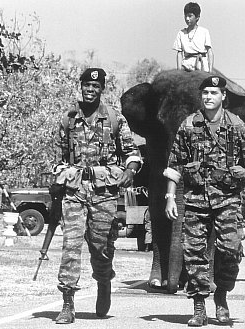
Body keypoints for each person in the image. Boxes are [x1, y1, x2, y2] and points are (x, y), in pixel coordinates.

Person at [164, 75, 245, 326]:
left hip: (228, 200)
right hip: (195, 199)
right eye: (205, 93)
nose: (209, 97)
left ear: (223, 97)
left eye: (214, 93)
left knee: (230, 249)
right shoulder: (189, 125)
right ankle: (199, 306)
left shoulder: (236, 126)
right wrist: (170, 197)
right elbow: (174, 164)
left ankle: (221, 294)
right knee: (195, 253)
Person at [52, 68, 142, 324]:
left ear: (102, 89)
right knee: (71, 244)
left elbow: (131, 152)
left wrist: (131, 170)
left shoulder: (114, 118)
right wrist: (58, 177)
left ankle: (103, 281)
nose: (90, 90)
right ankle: (68, 302)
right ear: (80, 86)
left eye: (95, 87)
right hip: (74, 192)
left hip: (104, 193)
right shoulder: (68, 118)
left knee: (101, 247)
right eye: (86, 86)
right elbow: (58, 157)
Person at [173, 2, 214, 72]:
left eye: (190, 16)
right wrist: (179, 71)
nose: (187, 18)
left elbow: (209, 52)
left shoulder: (204, 32)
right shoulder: (181, 33)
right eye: (185, 16)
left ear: (197, 17)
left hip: (201, 66)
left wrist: (210, 70)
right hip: (186, 65)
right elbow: (179, 53)